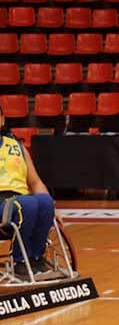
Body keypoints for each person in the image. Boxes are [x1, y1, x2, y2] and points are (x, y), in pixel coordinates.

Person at [0, 104, 58, 280]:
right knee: (28, 204)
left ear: (2, 120)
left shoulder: (16, 146)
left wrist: (53, 208)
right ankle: (19, 261)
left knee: (45, 202)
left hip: (20, 201)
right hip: (3, 201)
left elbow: (36, 182)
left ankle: (36, 258)